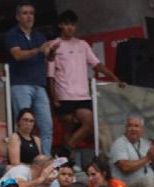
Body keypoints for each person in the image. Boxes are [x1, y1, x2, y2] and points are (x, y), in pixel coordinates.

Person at [46, 9, 124, 152]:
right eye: (67, 24)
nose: (70, 28)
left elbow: (97, 64)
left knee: (89, 123)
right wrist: (54, 98)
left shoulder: (83, 44)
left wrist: (115, 78)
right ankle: (68, 160)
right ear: (60, 25)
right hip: (64, 95)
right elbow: (50, 75)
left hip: (83, 95)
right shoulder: (54, 45)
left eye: (73, 25)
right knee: (67, 129)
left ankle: (64, 151)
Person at [5, 2, 54, 155]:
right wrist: (39, 50)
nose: (29, 16)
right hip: (20, 84)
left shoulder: (39, 36)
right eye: (25, 13)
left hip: (39, 85)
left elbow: (48, 57)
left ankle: (45, 159)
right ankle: (22, 158)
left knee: (46, 126)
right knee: (24, 125)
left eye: (31, 13)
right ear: (17, 17)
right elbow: (17, 55)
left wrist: (52, 51)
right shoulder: (12, 34)